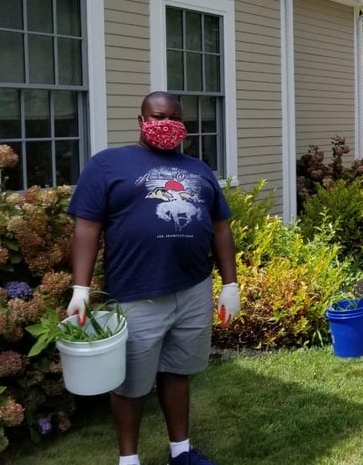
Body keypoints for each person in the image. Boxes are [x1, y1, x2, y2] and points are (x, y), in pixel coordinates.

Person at [67, 91, 239, 465]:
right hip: (136, 292)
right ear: (141, 120)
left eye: (174, 117)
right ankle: (129, 459)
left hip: (192, 287)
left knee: (178, 371)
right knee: (130, 383)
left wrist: (230, 284)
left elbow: (220, 228)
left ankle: (181, 451)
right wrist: (80, 288)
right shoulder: (108, 164)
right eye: (158, 116)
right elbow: (86, 227)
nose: (166, 124)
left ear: (183, 124)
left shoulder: (199, 169)